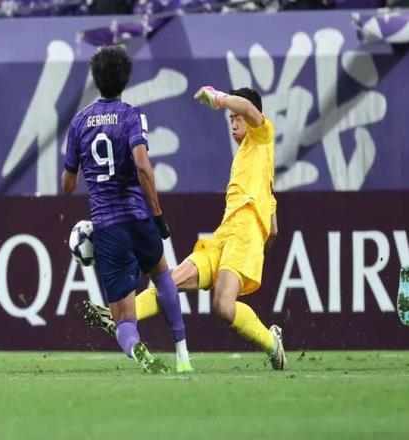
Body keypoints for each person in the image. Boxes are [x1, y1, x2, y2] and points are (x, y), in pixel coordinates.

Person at [84, 85, 286, 370]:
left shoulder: (263, 134)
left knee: (223, 307)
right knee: (170, 281)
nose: (233, 124)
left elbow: (248, 109)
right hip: (225, 235)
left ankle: (272, 343)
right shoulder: (254, 160)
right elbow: (273, 229)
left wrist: (218, 99)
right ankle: (119, 316)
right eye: (230, 119)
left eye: (236, 118)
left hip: (244, 236)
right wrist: (258, 251)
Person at [62, 45, 193, 374]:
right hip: (138, 216)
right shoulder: (132, 115)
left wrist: (81, 172)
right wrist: (157, 213)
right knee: (163, 278)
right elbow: (142, 164)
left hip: (108, 227)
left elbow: (68, 184)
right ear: (125, 79)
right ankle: (183, 356)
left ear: (95, 79)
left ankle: (138, 350)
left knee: (122, 318)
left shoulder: (78, 123)